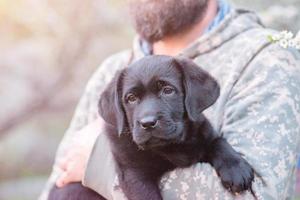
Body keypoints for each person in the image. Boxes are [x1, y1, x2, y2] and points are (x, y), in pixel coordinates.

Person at [39, 0, 300, 199]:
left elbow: (255, 193)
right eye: (133, 98)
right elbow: (60, 179)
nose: (147, 114)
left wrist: (103, 169)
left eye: (166, 91)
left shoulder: (266, 61)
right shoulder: (111, 72)